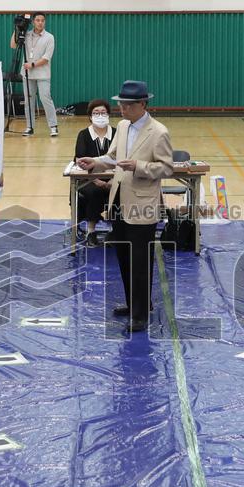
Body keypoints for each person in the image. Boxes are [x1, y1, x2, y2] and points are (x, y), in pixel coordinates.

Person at [77, 81, 172, 333]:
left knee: (140, 259)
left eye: (127, 105)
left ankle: (141, 314)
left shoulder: (159, 132)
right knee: (123, 255)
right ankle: (134, 304)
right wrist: (94, 162)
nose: (121, 108)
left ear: (142, 104)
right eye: (120, 103)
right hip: (118, 200)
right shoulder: (122, 127)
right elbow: (113, 157)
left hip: (142, 205)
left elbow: (166, 168)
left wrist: (139, 167)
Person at [74, 99, 116, 248]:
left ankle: (115, 230)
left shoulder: (117, 134)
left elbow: (123, 158)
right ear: (90, 117)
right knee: (96, 192)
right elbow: (80, 160)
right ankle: (91, 232)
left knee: (120, 190)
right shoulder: (84, 135)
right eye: (96, 113)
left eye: (103, 113)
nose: (100, 116)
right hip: (89, 180)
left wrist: (112, 181)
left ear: (109, 115)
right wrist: (96, 180)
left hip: (115, 179)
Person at [10, 12, 58, 137]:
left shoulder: (49, 37)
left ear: (45, 22)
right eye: (37, 20)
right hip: (27, 74)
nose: (40, 22)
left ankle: (53, 126)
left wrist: (32, 65)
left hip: (42, 74)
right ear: (33, 22)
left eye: (42, 20)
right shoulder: (26, 35)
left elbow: (46, 58)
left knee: (45, 98)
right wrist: (17, 29)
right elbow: (13, 45)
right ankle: (29, 126)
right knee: (29, 100)